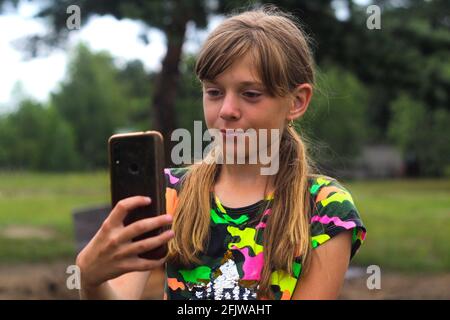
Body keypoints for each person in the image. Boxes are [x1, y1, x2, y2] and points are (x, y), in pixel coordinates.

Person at [76, 5, 367, 300]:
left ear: (297, 101)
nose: (227, 111)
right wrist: (90, 279)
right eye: (214, 92)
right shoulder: (168, 195)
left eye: (251, 94)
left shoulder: (326, 210)